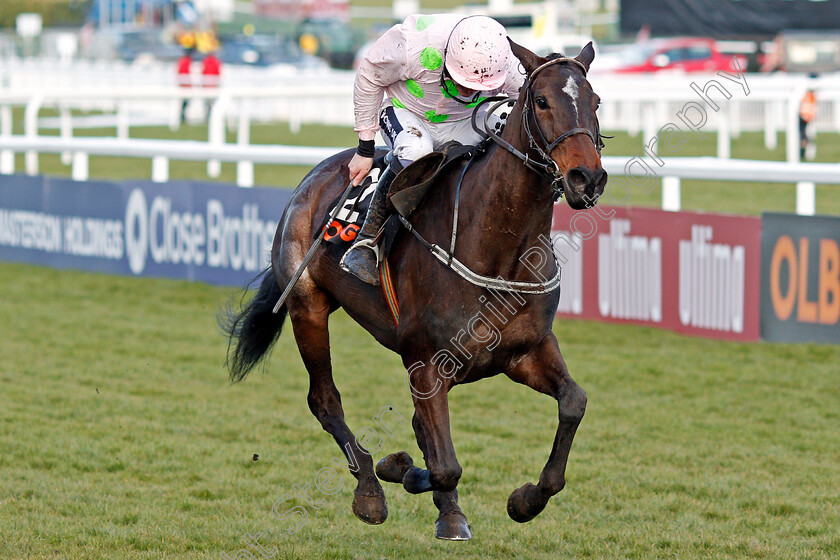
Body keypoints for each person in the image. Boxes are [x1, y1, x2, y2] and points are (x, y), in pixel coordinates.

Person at [341, 14, 524, 285]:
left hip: (464, 120)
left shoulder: (505, 63)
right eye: (462, 83)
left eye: (474, 87)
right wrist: (365, 149)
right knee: (417, 150)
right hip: (407, 112)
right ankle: (367, 241)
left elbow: (527, 100)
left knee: (508, 120)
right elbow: (369, 75)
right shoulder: (412, 45)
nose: (466, 90)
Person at [799, 76, 817, 160]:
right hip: (804, 117)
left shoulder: (809, 95)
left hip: (805, 117)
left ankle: (801, 153)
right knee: (803, 136)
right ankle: (801, 153)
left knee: (803, 136)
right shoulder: (807, 94)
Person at [201, 49, 222, 120]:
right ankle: (211, 117)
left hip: (207, 85)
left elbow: (203, 72)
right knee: (212, 103)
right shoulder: (216, 61)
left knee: (208, 103)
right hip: (213, 86)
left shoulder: (205, 61)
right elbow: (218, 73)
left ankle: (208, 117)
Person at [176, 47, 195, 124]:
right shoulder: (186, 61)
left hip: (184, 85)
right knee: (184, 102)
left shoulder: (183, 61)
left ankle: (182, 117)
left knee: (184, 102)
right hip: (185, 86)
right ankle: (182, 117)